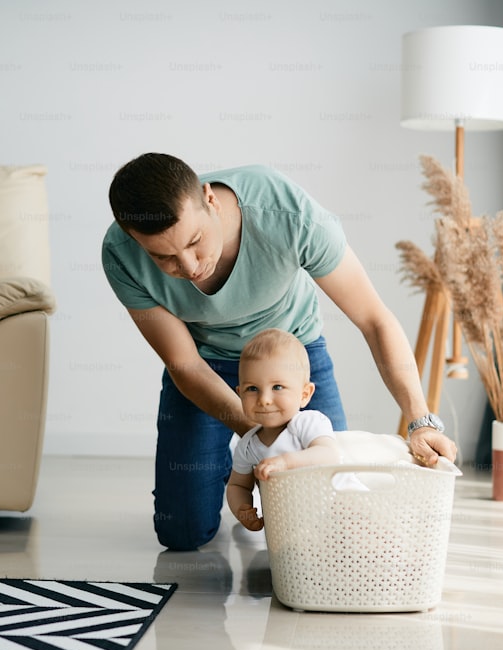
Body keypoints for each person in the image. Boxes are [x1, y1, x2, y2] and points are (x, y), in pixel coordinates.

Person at [102, 152, 457, 550]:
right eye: (163, 257)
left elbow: (374, 319)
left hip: (290, 355)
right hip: (204, 367)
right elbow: (183, 362)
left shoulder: (286, 212)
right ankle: (215, 463)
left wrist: (418, 418)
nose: (188, 266)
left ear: (210, 199)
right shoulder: (119, 253)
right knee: (181, 533)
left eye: (195, 241)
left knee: (332, 504)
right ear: (132, 238)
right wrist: (259, 440)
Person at [226, 328, 342, 532]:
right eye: (252, 389)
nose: (264, 400)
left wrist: (286, 462)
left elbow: (328, 454)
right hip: (299, 523)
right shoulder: (248, 446)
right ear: (239, 394)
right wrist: (242, 509)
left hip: (342, 507)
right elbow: (238, 486)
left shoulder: (307, 422)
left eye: (277, 387)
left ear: (305, 394)